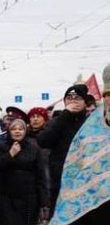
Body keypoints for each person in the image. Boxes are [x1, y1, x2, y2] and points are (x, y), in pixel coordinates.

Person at [39, 84, 93, 212]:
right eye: (69, 98)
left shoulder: (90, 123)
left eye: (78, 98)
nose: (73, 101)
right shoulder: (58, 121)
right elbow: (43, 141)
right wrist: (65, 115)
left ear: (85, 102)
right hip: (60, 180)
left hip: (85, 179)